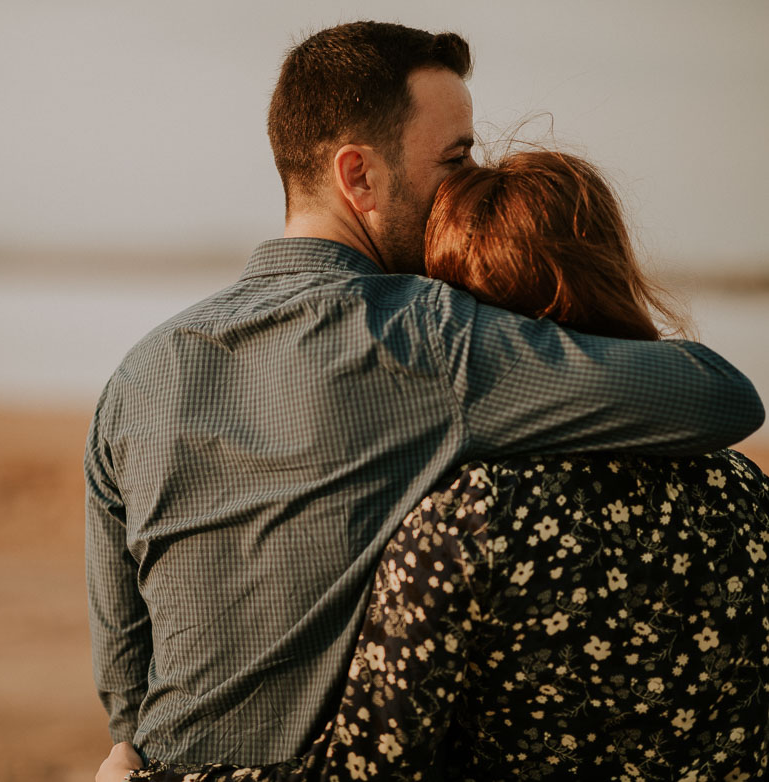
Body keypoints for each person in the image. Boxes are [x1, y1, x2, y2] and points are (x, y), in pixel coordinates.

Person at [85, 20, 764, 772]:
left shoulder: (136, 375)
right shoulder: (421, 336)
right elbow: (718, 397)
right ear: (359, 176)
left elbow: (124, 666)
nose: (471, 183)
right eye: (456, 158)